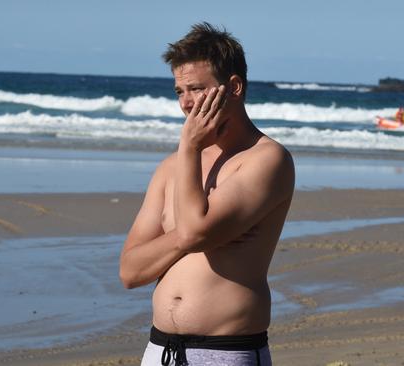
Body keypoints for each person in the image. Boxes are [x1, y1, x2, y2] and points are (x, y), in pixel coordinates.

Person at [119, 23, 294, 366]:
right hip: (159, 351)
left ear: (234, 87)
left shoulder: (268, 160)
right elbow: (130, 271)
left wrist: (189, 147)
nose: (186, 103)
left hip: (225, 352)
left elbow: (196, 234)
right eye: (179, 91)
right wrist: (184, 233)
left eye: (196, 89)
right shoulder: (171, 169)